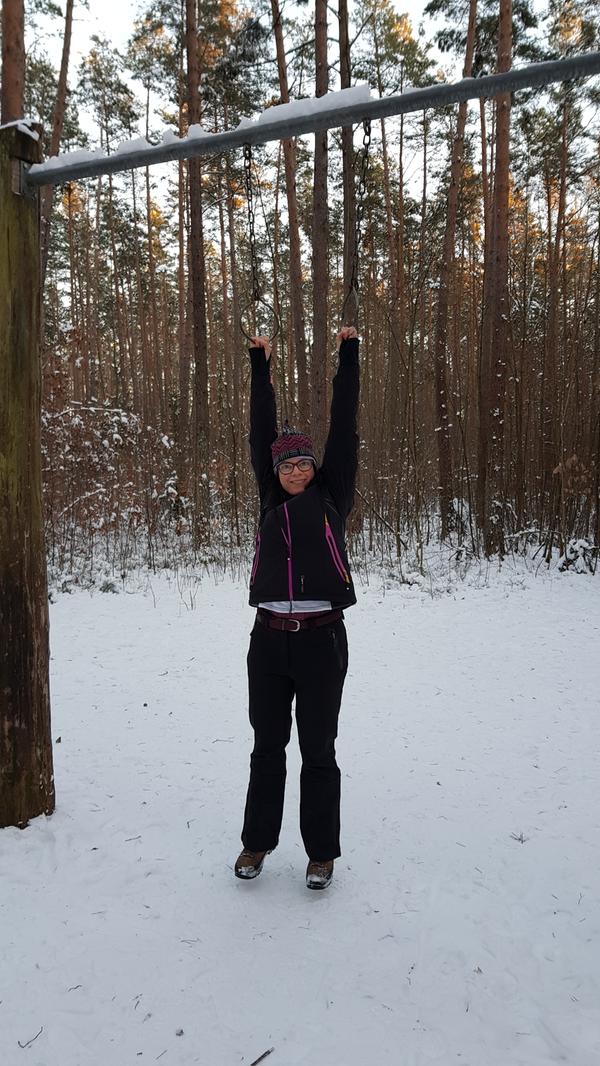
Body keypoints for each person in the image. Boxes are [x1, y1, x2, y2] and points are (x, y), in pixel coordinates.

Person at [235, 325, 360, 890]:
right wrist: (260, 366)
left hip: (321, 641)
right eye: (286, 466)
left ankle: (321, 853)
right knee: (267, 745)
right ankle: (257, 843)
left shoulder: (332, 493)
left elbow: (344, 426)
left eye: (301, 464)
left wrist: (347, 354)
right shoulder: (267, 492)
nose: (294, 472)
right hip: (268, 641)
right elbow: (262, 428)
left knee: (319, 749)